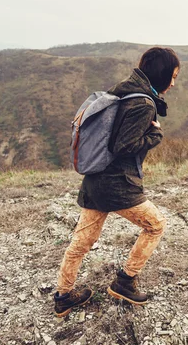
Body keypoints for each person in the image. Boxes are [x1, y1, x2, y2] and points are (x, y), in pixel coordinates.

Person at [53, 47, 180, 317]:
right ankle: (125, 281)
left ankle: (64, 295)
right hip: (118, 185)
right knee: (156, 226)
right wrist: (155, 136)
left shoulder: (121, 90)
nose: (173, 82)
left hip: (94, 180)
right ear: (163, 74)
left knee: (81, 242)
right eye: (173, 75)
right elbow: (125, 145)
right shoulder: (143, 104)